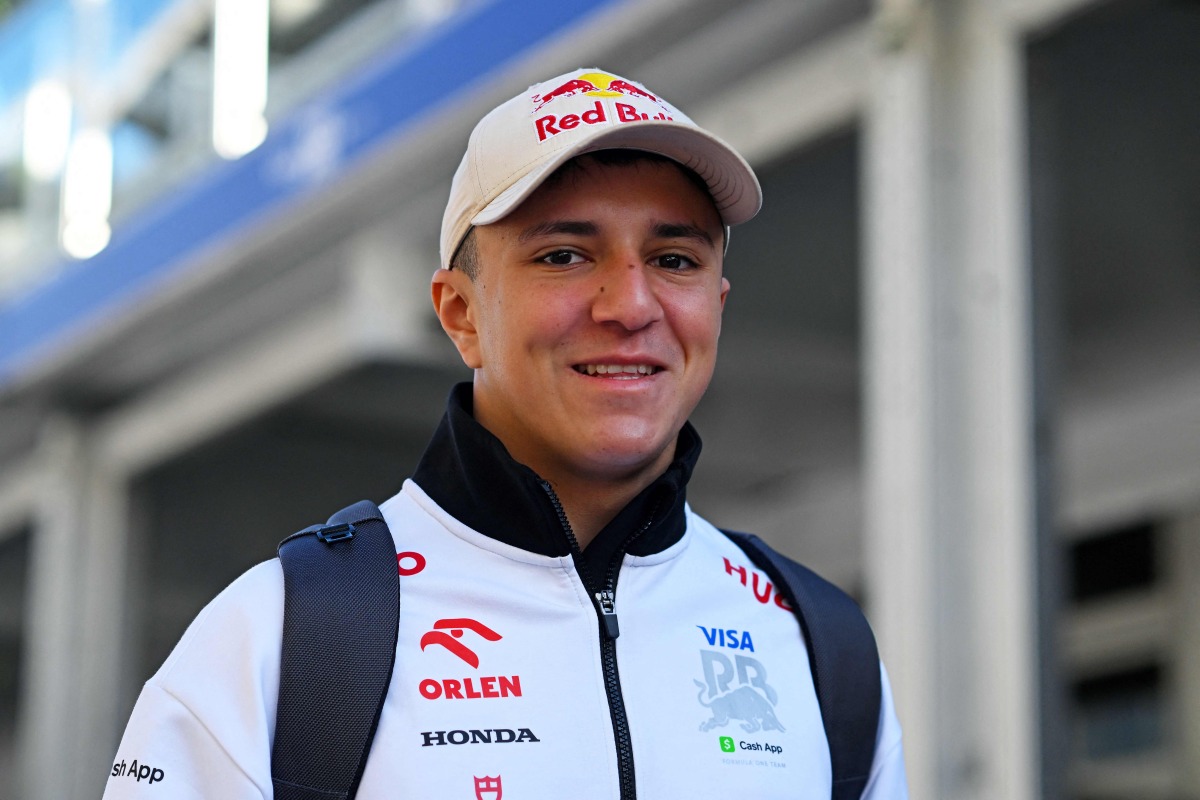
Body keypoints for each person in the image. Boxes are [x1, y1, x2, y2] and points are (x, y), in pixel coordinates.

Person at [103, 68, 908, 799]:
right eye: (563, 255)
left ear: (717, 307)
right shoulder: (280, 636)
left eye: (674, 259)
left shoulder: (817, 640)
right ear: (460, 315)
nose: (630, 305)